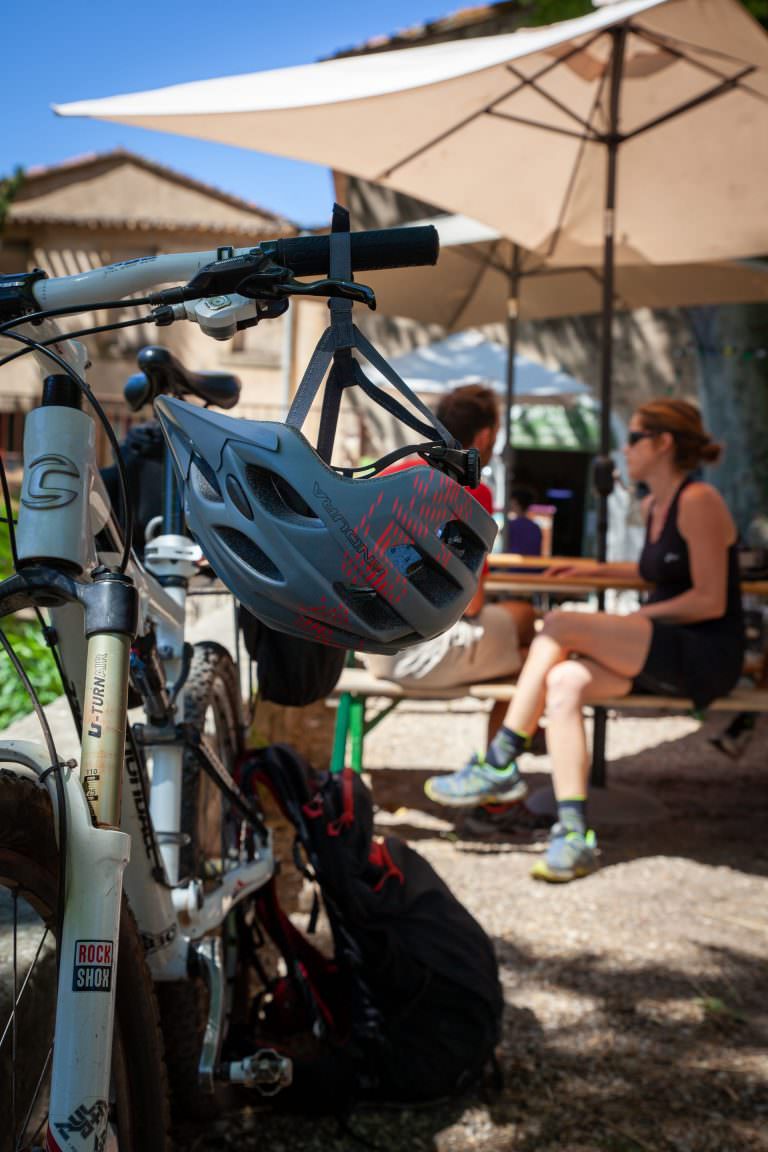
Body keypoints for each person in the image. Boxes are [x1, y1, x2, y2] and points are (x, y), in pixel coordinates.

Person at [425, 399, 745, 882]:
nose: (624, 448)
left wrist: (639, 618)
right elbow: (652, 571)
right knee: (565, 681)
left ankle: (500, 760)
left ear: (663, 444)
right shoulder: (656, 504)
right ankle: (573, 835)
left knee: (559, 626)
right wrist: (593, 571)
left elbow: (709, 600)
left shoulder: (700, 501)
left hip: (702, 652)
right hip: (661, 643)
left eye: (634, 437)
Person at [365, 384, 536, 747]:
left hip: (372, 644)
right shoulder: (472, 490)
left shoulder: (394, 474)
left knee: (530, 657)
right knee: (532, 641)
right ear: (487, 434)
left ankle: (505, 755)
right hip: (419, 651)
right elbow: (470, 604)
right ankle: (497, 766)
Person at [505, 485, 543, 556]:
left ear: (515, 502)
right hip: (532, 565)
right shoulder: (535, 528)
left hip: (512, 565)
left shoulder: (510, 526)